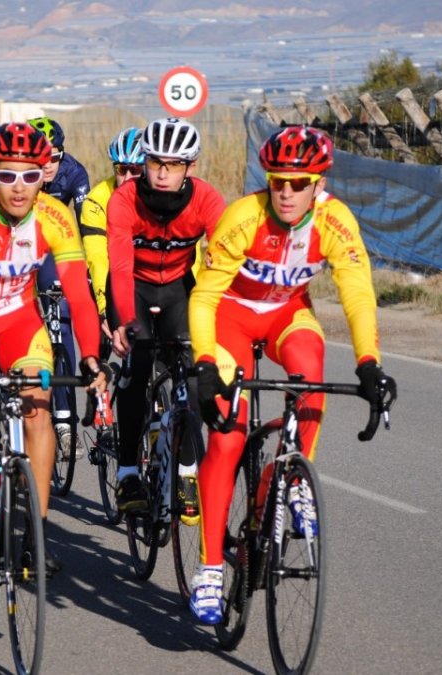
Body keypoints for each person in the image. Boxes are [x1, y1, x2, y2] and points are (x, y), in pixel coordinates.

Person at [185, 125, 395, 624]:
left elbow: (358, 293)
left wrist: (369, 363)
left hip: (284, 314)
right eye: (278, 179)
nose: (285, 191)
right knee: (228, 438)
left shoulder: (336, 222)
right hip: (230, 318)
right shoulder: (243, 217)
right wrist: (205, 363)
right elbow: (204, 296)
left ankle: (289, 480)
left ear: (318, 185)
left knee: (310, 372)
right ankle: (210, 568)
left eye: (298, 183)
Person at [0, 122, 109, 589]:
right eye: (6, 176)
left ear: (43, 176)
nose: (19, 188)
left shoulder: (55, 217)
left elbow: (79, 295)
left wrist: (91, 356)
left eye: (30, 176)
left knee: (37, 415)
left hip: (18, 323)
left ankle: (35, 530)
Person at [106, 117, 225, 517]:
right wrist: (123, 320)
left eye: (172, 165)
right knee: (137, 366)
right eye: (155, 162)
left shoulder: (207, 200)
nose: (161, 172)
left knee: (192, 375)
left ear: (190, 168)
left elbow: (222, 264)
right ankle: (126, 472)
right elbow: (120, 268)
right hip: (133, 287)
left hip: (178, 288)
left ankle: (188, 470)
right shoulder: (124, 199)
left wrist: (218, 317)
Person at [26, 116, 91, 457]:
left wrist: (88, 270)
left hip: (54, 246)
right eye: (43, 157)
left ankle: (65, 423)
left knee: (61, 319)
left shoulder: (74, 172)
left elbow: (85, 228)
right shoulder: (20, 174)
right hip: (20, 247)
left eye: (56, 156)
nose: (49, 165)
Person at [79, 126, 145, 328]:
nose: (127, 178)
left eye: (135, 170)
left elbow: (190, 259)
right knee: (96, 332)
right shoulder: (96, 201)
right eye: (121, 170)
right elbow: (98, 258)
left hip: (149, 274)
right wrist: (103, 308)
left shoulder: (164, 196)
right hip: (110, 270)